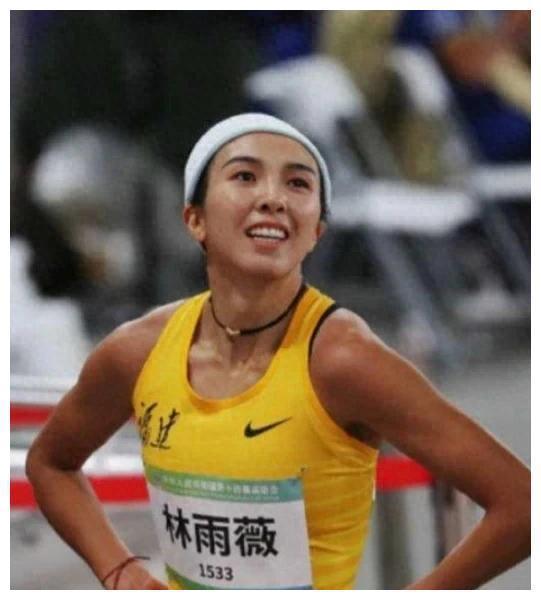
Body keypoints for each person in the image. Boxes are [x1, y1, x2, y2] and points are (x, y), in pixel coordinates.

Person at [26, 113, 530, 590]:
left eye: (298, 184)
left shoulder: (342, 361)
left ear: (316, 232)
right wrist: (121, 572)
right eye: (245, 177)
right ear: (195, 219)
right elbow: (50, 463)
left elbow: (522, 505)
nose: (273, 198)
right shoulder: (138, 351)